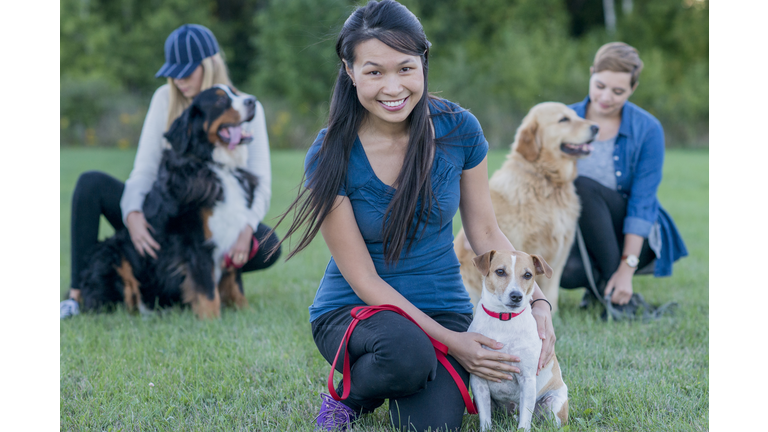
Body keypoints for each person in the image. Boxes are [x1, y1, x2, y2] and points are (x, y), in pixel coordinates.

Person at [270, 1, 556, 430]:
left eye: (405, 68)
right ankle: (348, 398)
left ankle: (406, 376)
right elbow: (364, 280)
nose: (393, 87)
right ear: (349, 71)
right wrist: (454, 343)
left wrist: (539, 304)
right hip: (356, 311)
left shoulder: (459, 129)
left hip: (443, 308)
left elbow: (484, 231)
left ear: (423, 61)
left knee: (434, 425)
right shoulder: (330, 152)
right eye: (374, 72)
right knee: (408, 353)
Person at [60, 24, 281, 319]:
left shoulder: (247, 107)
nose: (179, 80)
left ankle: (188, 284)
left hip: (215, 215)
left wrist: (246, 230)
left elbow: (261, 183)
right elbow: (144, 171)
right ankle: (75, 296)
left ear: (210, 65)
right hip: (163, 216)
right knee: (91, 183)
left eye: (187, 72)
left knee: (268, 245)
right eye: (174, 73)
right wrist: (133, 215)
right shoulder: (165, 98)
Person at [559, 42, 688, 314]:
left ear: (633, 89)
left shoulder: (648, 129)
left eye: (618, 91)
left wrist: (627, 269)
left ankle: (620, 294)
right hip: (577, 230)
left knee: (582, 186)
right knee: (567, 272)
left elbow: (642, 203)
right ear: (591, 74)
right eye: (600, 86)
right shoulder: (561, 119)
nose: (606, 97)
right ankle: (605, 289)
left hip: (631, 234)